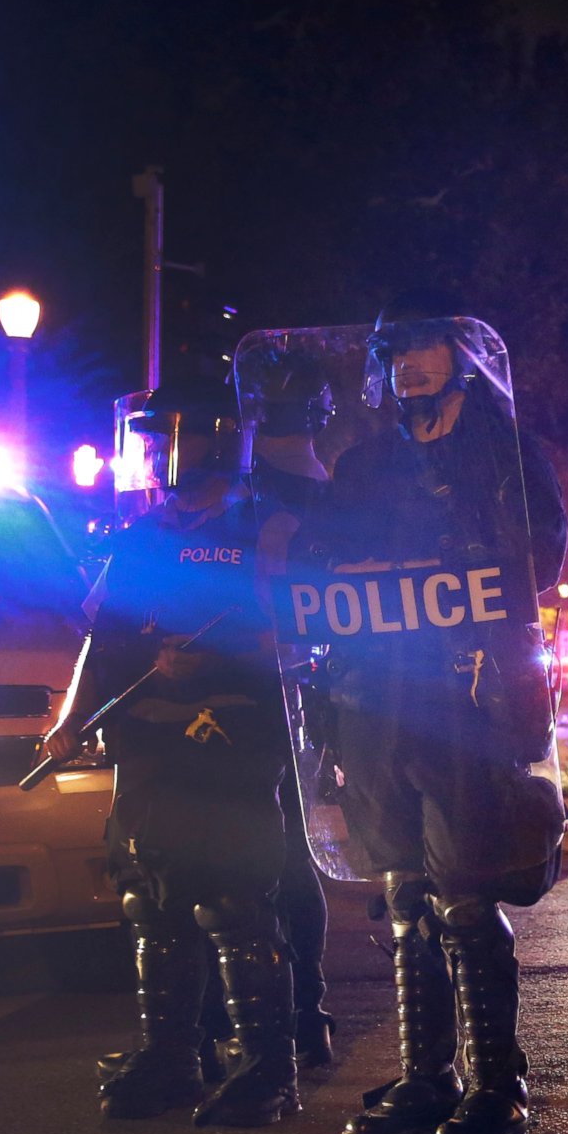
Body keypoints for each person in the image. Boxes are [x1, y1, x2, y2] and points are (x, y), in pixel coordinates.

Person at [301, 293, 568, 1134]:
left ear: (459, 358)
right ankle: (426, 1073)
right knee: (403, 889)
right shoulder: (365, 463)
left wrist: (459, 561)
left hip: (470, 697)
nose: (409, 366)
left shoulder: (502, 452)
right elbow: (325, 561)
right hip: (377, 696)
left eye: (425, 349)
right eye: (396, 354)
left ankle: (498, 1081)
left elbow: (545, 556)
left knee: (464, 886)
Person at [43, 380, 299, 1127]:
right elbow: (108, 638)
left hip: (231, 733)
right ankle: (170, 1058)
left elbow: (296, 637)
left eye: (161, 441)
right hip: (149, 739)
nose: (150, 456)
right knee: (150, 897)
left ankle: (265, 1070)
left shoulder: (268, 530)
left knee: (229, 898)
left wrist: (214, 660)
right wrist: (74, 716)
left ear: (209, 440)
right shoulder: (144, 532)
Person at [243, 341, 339, 1067]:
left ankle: (297, 1013)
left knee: (276, 854)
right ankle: (300, 1011)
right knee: (278, 853)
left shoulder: (281, 497)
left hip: (275, 681)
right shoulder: (320, 488)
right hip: (284, 680)